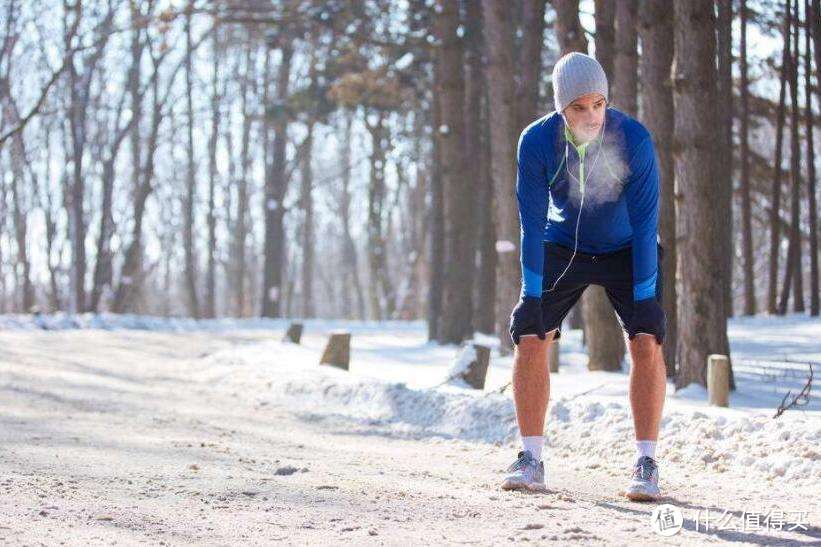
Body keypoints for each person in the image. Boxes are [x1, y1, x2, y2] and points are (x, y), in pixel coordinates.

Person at [502, 52, 667, 501]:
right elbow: (531, 223)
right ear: (561, 108)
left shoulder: (633, 139)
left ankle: (646, 461)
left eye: (599, 103)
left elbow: (647, 222)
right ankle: (531, 457)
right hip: (563, 244)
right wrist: (529, 296)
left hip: (628, 245)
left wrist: (647, 297)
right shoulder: (536, 142)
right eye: (579, 107)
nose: (592, 115)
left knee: (646, 340)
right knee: (532, 337)